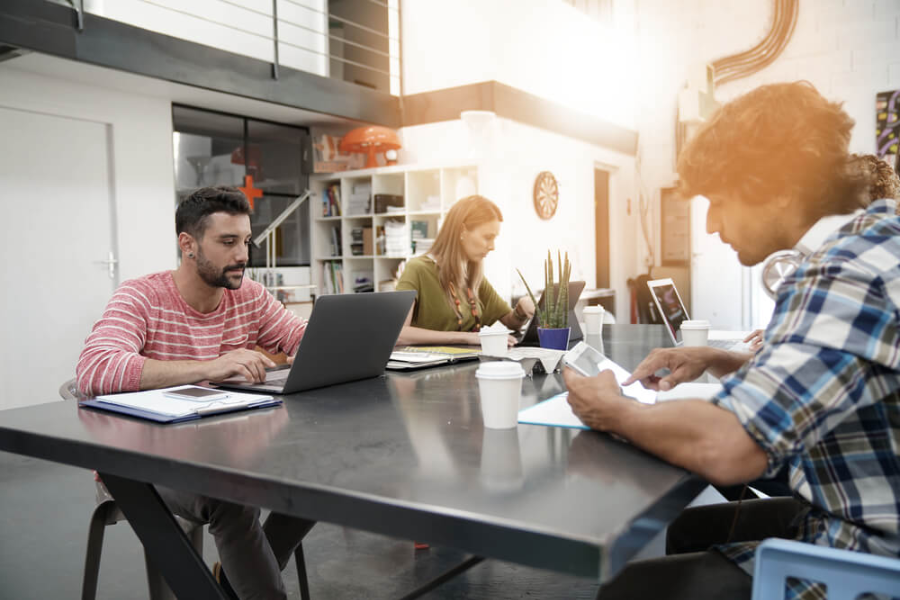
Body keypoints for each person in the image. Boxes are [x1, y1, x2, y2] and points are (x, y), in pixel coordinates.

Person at [563, 82, 900, 600]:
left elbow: (729, 448)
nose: (713, 224)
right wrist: (717, 359)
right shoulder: (876, 244)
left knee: (631, 590)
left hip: (867, 559)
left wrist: (613, 409)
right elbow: (822, 378)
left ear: (780, 188)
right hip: (863, 508)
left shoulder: (843, 274)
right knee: (692, 529)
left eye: (719, 201)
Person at [77, 186, 314, 600]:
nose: (243, 254)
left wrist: (321, 347)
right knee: (232, 494)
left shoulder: (249, 296)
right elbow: (95, 369)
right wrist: (208, 367)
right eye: (228, 242)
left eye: (246, 241)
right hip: (139, 460)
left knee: (320, 476)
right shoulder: (143, 296)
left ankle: (231, 586)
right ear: (188, 244)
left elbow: (302, 340)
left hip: (223, 446)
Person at [394, 195, 534, 346]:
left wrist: (521, 308)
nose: (492, 246)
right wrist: (466, 337)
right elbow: (398, 334)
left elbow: (511, 322)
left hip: (466, 364)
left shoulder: (472, 276)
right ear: (462, 231)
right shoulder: (417, 269)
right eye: (487, 237)